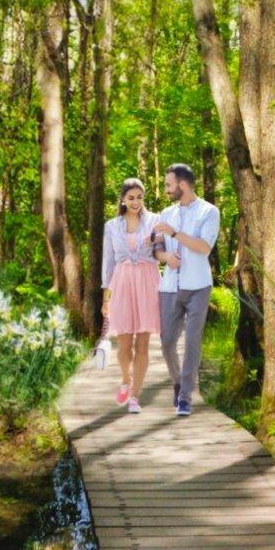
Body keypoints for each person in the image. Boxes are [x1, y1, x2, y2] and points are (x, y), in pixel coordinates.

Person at [152, 163, 218, 417]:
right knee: (167, 341)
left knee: (192, 341)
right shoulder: (165, 213)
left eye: (169, 185)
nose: (166, 190)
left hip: (198, 285)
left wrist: (175, 233)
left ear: (182, 185)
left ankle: (185, 397)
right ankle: (178, 382)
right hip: (169, 287)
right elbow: (157, 249)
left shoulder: (209, 211)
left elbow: (204, 247)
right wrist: (166, 257)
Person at [100, 178, 165, 415]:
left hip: (148, 282)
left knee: (143, 344)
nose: (136, 202)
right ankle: (125, 379)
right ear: (123, 199)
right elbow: (108, 262)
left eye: (139, 197)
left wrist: (156, 240)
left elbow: (162, 249)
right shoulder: (111, 226)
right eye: (131, 198)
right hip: (122, 282)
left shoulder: (155, 221)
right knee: (124, 345)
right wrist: (106, 298)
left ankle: (135, 396)